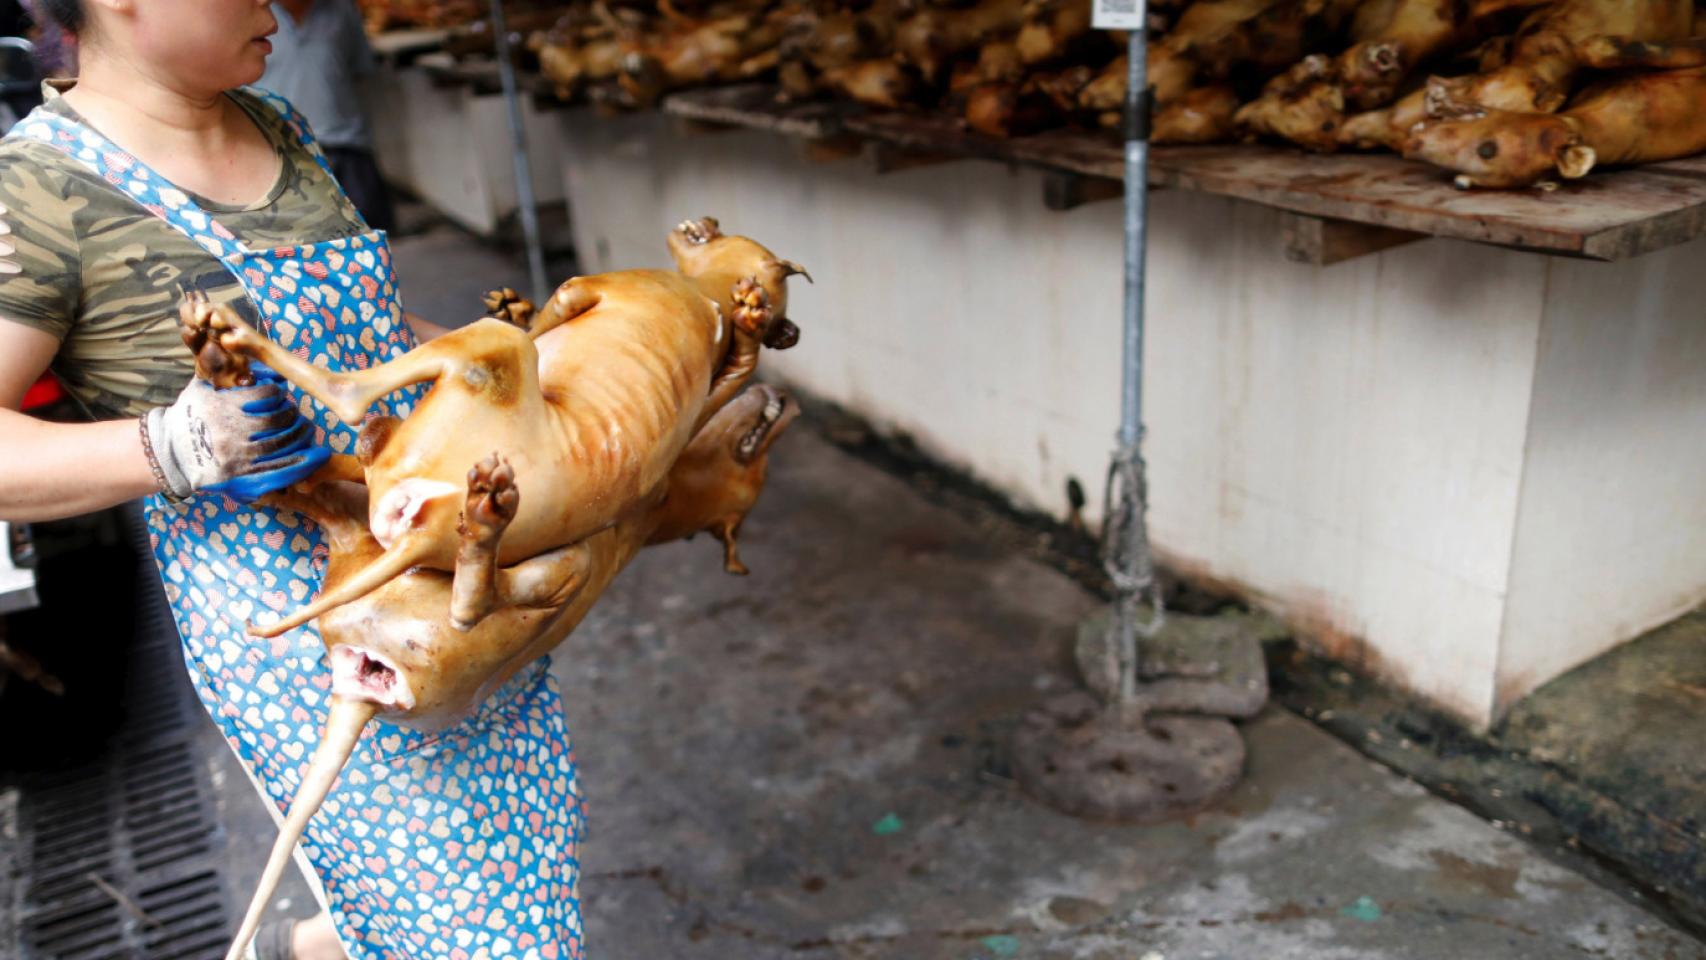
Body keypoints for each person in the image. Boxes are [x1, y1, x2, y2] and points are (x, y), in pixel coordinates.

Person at [0, 2, 585, 959]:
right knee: (469, 918)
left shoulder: (275, 122)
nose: (273, 7)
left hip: (448, 573)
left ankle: (320, 944)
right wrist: (172, 447)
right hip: (311, 631)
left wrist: (527, 366)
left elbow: (376, 346)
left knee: (523, 849)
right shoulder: (37, 187)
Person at [258, 0, 396, 232]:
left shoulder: (341, 9)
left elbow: (359, 68)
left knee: (370, 237)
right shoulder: (253, 13)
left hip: (347, 144)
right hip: (281, 152)